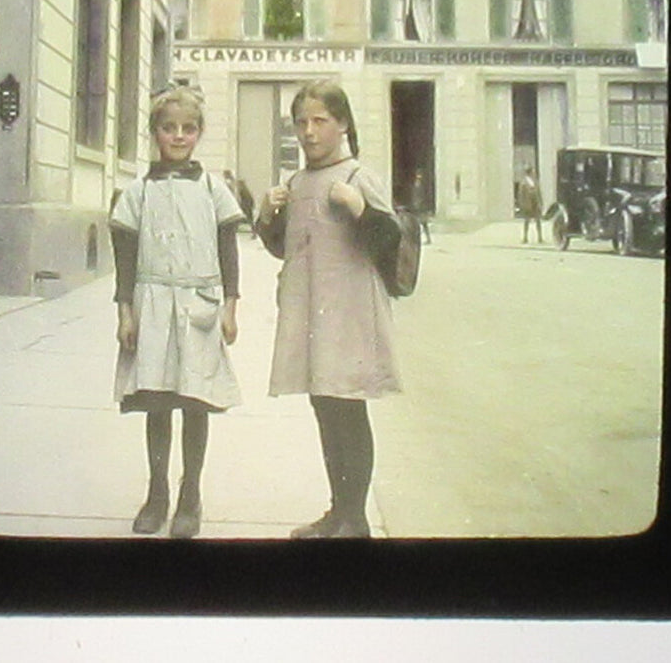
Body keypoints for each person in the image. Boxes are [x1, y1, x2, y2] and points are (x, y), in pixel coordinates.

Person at [255, 80, 403, 539]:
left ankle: (355, 518)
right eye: (301, 122)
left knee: (348, 410)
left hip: (351, 315)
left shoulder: (359, 177)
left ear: (342, 125)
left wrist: (361, 209)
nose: (309, 131)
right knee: (325, 409)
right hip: (311, 314)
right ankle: (337, 512)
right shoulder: (296, 183)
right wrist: (267, 217)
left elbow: (393, 246)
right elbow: (286, 249)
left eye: (320, 121)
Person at [110, 87, 245, 538]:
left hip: (200, 309)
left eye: (188, 129)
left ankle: (191, 495)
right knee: (158, 403)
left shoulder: (214, 190)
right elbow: (125, 259)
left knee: (194, 403)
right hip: (152, 308)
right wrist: (125, 313)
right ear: (155, 134)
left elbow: (229, 252)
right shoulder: (137, 193)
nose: (179, 136)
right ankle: (157, 494)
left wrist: (230, 307)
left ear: (200, 134)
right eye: (169, 128)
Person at [516, 165, 544, 243]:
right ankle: (525, 237)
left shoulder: (535, 181)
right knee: (527, 221)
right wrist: (522, 205)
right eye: (532, 171)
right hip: (528, 204)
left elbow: (538, 193)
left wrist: (540, 202)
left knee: (538, 220)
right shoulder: (523, 183)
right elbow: (521, 195)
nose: (533, 173)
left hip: (535, 203)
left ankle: (540, 237)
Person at [407, 169, 433, 243]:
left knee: (423, 224)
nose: (418, 177)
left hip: (421, 207)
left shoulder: (422, 186)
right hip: (417, 207)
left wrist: (421, 205)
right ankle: (422, 239)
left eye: (420, 175)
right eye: (418, 175)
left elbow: (423, 196)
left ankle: (427, 239)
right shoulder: (416, 185)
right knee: (420, 224)